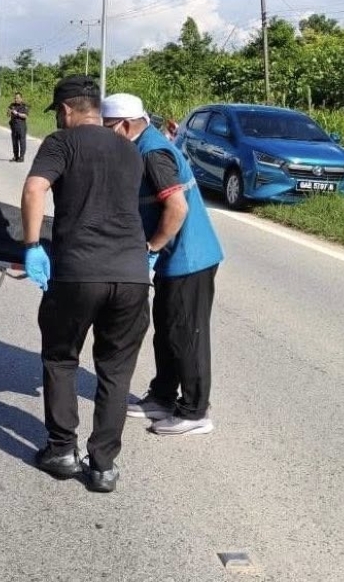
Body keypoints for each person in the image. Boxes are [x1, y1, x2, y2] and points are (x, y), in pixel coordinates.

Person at [20, 75, 151, 493]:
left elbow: (34, 189)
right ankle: (103, 465)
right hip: (132, 276)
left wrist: (30, 245)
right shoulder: (131, 151)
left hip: (78, 272)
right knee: (116, 368)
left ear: (65, 110)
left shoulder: (61, 143)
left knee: (61, 358)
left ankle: (61, 450)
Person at [101, 93, 224, 436]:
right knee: (167, 331)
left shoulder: (152, 153)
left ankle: (195, 411)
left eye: (107, 127)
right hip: (174, 261)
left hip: (189, 259)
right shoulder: (141, 145)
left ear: (124, 125)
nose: (105, 133)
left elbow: (177, 208)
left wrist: (151, 247)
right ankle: (163, 397)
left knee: (186, 334)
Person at [7, 92, 30, 162]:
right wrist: (9, 111)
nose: (16, 99)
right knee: (14, 142)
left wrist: (17, 113)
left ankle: (21, 157)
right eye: (15, 98)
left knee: (22, 142)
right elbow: (8, 115)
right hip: (14, 127)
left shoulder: (24, 106)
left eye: (17, 98)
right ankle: (15, 156)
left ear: (21, 98)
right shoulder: (12, 105)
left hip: (21, 127)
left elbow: (25, 116)